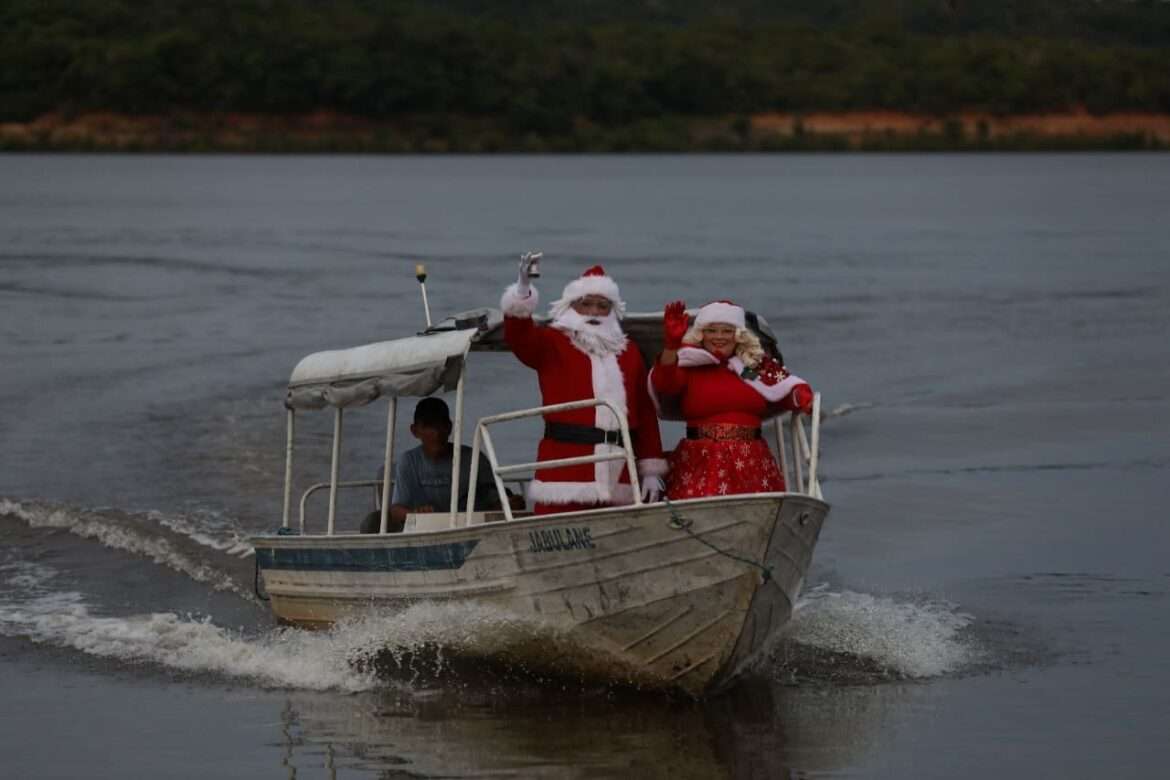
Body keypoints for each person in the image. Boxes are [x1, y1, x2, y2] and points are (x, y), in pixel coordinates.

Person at [500, 256, 667, 515]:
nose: (594, 312)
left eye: (602, 306)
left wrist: (650, 470)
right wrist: (523, 288)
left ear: (612, 311)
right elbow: (518, 337)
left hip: (620, 473)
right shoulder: (552, 342)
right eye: (586, 304)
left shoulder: (629, 352)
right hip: (564, 470)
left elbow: (644, 414)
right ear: (570, 306)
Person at [649, 299, 813, 499]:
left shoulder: (755, 366)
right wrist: (671, 345)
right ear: (701, 334)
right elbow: (664, 383)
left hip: (752, 463)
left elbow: (786, 388)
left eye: (726, 331)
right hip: (702, 462)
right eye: (712, 331)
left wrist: (802, 398)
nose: (719, 337)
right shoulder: (688, 365)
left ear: (738, 335)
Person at [360, 397, 522, 533]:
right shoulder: (409, 461)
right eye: (429, 426)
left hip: (471, 530)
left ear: (449, 427)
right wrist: (416, 514)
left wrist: (510, 503)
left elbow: (494, 500)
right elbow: (396, 511)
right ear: (415, 431)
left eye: (441, 425)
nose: (436, 432)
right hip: (425, 533)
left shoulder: (474, 459)